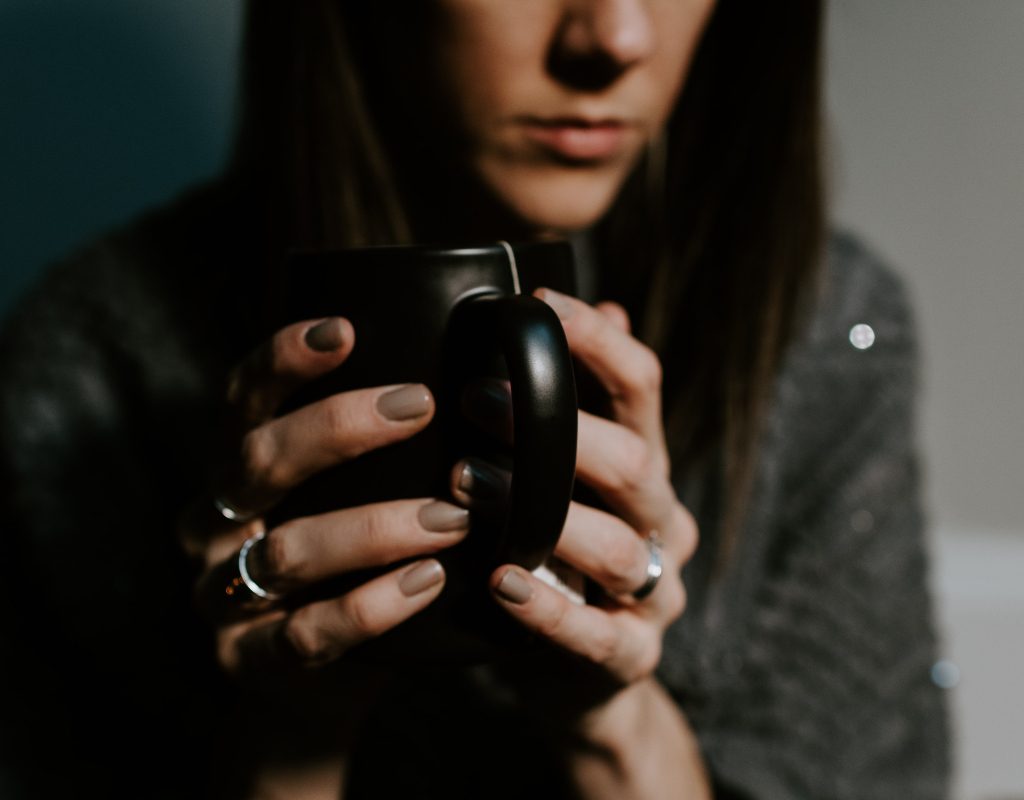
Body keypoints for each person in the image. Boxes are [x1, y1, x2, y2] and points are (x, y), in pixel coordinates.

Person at [0, 1, 952, 798]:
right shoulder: (96, 365)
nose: (613, 37)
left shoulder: (822, 331)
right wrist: (289, 734)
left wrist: (615, 722)